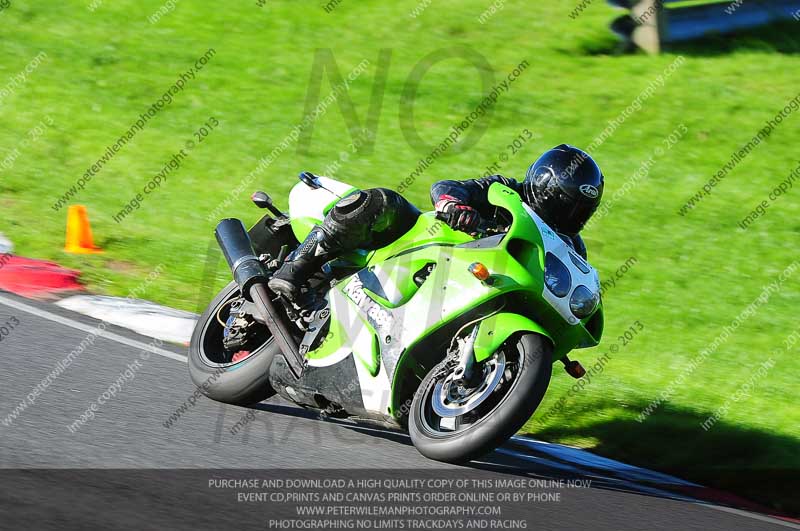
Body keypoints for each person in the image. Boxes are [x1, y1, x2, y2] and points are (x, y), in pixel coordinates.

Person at [267, 144, 604, 301]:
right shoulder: (505, 191)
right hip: (425, 244)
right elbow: (449, 187)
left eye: (579, 209)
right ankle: (294, 268)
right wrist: (452, 205)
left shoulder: (572, 248)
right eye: (564, 203)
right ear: (543, 188)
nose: (569, 214)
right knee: (383, 201)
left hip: (473, 290)